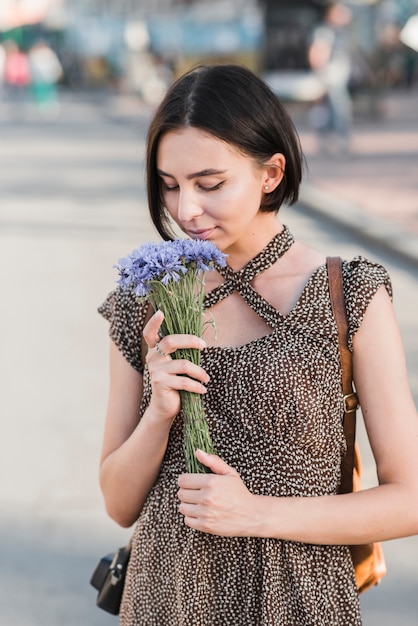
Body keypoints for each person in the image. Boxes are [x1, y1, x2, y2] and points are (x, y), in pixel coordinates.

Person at [98, 64, 418, 625]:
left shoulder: (350, 293)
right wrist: (159, 413)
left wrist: (256, 514)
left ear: (272, 172)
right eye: (169, 185)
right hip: (166, 601)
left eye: (210, 183)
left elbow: (410, 497)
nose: (185, 210)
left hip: (300, 601)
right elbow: (119, 503)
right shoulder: (145, 300)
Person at [308, 3, 354, 153]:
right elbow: (317, 52)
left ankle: (331, 140)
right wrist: (322, 73)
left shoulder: (341, 32)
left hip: (337, 77)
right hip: (330, 77)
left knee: (335, 109)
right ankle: (333, 140)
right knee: (337, 109)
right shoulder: (325, 31)